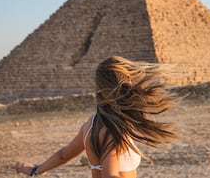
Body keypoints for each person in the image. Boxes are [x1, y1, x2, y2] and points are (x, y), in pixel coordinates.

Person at [15, 56, 179, 177]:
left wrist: (35, 170)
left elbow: (63, 155)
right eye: (130, 77)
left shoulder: (91, 124)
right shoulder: (113, 132)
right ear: (125, 82)